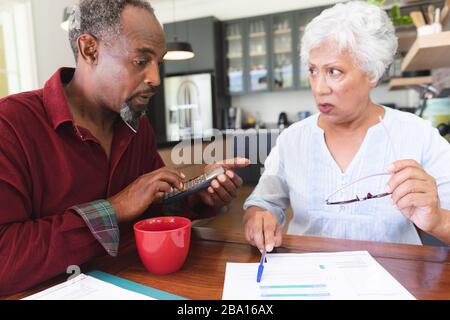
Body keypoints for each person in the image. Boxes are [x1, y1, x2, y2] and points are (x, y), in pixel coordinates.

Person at [0, 0, 249, 295]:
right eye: (141, 61)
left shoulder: (136, 125)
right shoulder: (10, 125)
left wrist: (199, 194)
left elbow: (151, 207)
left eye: (160, 62)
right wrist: (115, 208)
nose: (156, 78)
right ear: (89, 49)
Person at [243, 1, 450, 252]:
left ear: (372, 74)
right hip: (308, 280)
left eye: (334, 71)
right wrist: (257, 215)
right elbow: (263, 201)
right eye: (313, 70)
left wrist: (437, 220)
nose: (319, 88)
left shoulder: (418, 135)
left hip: (392, 284)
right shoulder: (292, 139)